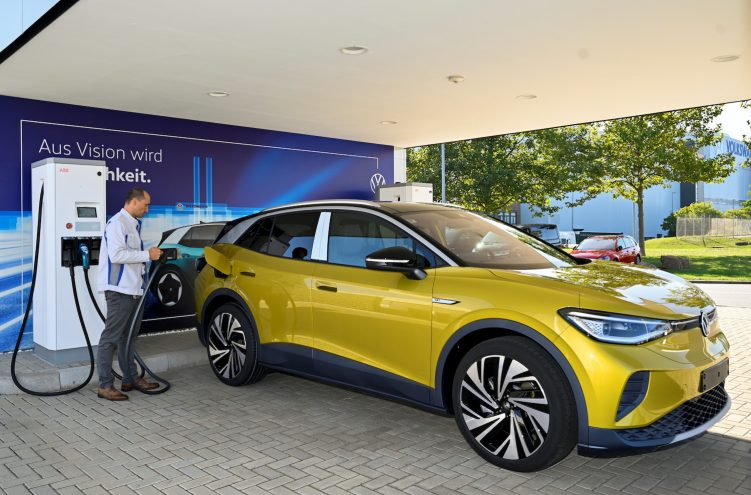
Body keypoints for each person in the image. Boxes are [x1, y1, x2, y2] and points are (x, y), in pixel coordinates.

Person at [96, 188, 163, 401]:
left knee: (129, 337)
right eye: (146, 204)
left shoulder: (132, 224)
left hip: (134, 290)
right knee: (111, 338)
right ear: (134, 201)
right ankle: (105, 385)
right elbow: (116, 255)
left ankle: (130, 379)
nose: (148, 208)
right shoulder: (117, 223)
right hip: (119, 291)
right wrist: (147, 254)